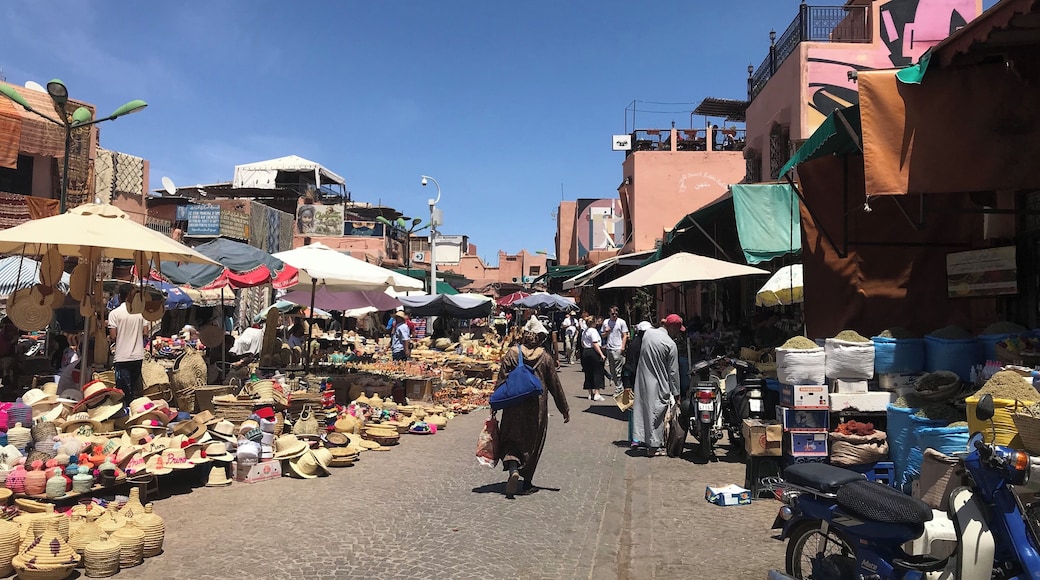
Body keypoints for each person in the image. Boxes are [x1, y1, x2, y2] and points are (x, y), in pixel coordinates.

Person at [493, 317, 570, 498]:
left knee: (511, 438)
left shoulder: (512, 353)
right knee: (533, 442)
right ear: (541, 337)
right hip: (537, 407)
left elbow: (501, 379)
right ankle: (527, 482)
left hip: (513, 404)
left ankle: (513, 468)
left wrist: (494, 404)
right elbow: (555, 385)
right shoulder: (545, 358)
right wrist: (564, 408)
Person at [633, 314, 682, 457]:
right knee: (657, 415)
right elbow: (673, 372)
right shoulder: (670, 345)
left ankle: (642, 440)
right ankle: (653, 447)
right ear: (672, 327)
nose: (678, 333)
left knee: (643, 411)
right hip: (659, 384)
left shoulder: (648, 334)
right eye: (678, 329)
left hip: (642, 381)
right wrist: (677, 394)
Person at [108, 283, 150, 401]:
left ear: (120, 296)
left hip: (122, 357)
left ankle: (125, 411)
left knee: (122, 393)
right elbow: (145, 333)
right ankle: (136, 409)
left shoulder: (114, 313)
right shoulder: (140, 313)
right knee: (136, 392)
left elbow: (113, 336)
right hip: (137, 356)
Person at [621, 320, 653, 445]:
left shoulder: (638, 343)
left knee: (638, 410)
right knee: (638, 410)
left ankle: (637, 438)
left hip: (639, 380)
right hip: (639, 381)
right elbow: (629, 365)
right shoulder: (638, 345)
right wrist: (627, 384)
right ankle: (637, 438)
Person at [601, 306, 629, 393]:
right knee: (612, 370)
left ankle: (619, 388)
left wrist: (622, 347)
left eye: (616, 314)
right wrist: (606, 331)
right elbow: (602, 335)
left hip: (618, 348)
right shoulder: (606, 322)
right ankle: (618, 386)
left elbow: (625, 335)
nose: (614, 315)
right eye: (612, 314)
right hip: (609, 348)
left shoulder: (621, 322)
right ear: (609, 313)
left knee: (618, 370)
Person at [580, 314, 607, 401]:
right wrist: (601, 354)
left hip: (585, 351)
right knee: (597, 372)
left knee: (588, 372)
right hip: (593, 352)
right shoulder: (593, 331)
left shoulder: (584, 331)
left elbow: (582, 343)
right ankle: (597, 393)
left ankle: (590, 393)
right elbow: (595, 343)